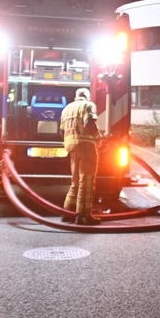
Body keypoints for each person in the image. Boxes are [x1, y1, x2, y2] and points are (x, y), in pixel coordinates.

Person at [60, 87, 101, 225]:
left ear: (75, 97)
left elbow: (61, 131)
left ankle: (67, 211)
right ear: (87, 97)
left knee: (75, 181)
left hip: (71, 147)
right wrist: (98, 138)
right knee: (87, 181)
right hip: (86, 146)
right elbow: (88, 123)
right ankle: (83, 215)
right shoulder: (88, 105)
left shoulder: (66, 109)